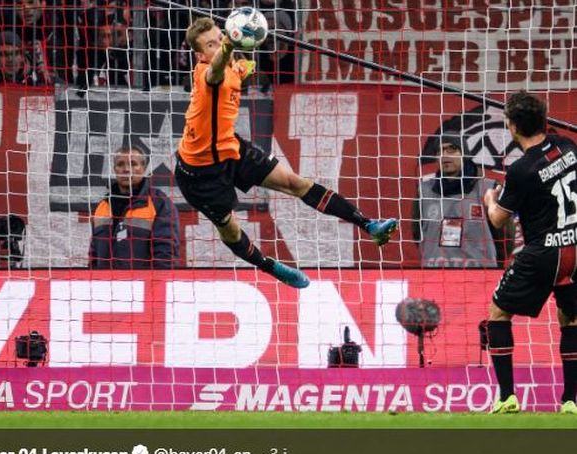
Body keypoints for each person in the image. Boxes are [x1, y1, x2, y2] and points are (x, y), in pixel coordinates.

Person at [174, 18, 398, 288]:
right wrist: (231, 43)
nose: (220, 44)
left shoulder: (237, 65)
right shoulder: (205, 72)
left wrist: (246, 38)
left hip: (230, 148)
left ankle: (369, 226)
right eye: (211, 44)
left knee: (295, 183)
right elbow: (216, 71)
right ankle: (269, 266)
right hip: (199, 172)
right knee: (230, 228)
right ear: (200, 55)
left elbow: (242, 64)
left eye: (220, 37)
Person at [484, 91, 577, 414]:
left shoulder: (521, 170)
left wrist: (490, 200)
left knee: (498, 312)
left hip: (543, 253)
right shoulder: (568, 146)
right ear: (545, 120)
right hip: (574, 249)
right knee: (570, 318)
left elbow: (498, 220)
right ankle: (570, 402)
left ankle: (507, 397)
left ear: (511, 128)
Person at [412, 132, 510, 268]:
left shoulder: (489, 189)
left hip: (480, 275)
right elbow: (418, 234)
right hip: (434, 274)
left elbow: (505, 237)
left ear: (464, 154)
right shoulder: (424, 190)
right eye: (440, 150)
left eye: (451, 149)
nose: (444, 154)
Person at [89, 145, 180, 269]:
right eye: (120, 164)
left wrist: (157, 284)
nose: (126, 169)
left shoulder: (159, 203)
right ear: (114, 169)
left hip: (142, 285)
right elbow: (94, 253)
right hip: (104, 285)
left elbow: (166, 253)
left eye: (133, 164)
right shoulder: (102, 206)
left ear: (143, 168)